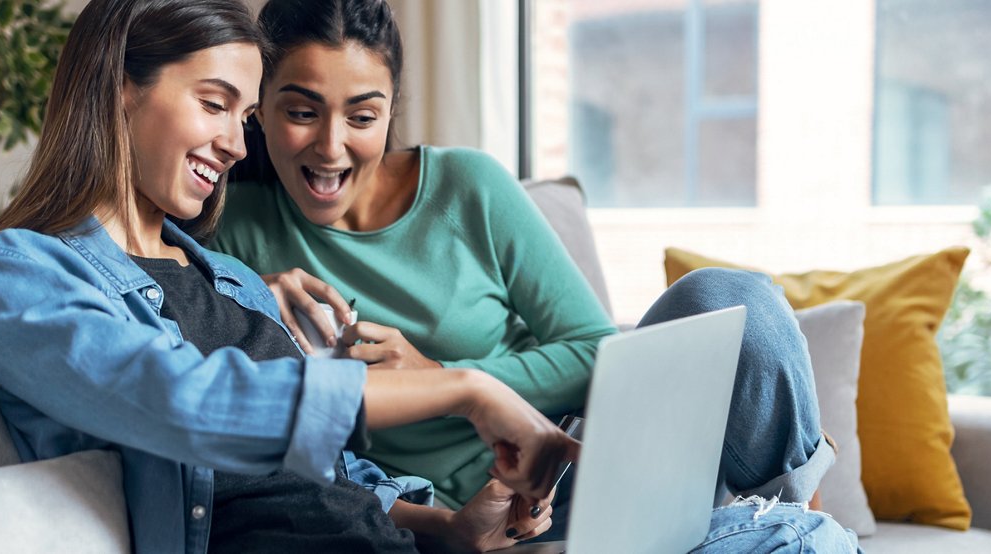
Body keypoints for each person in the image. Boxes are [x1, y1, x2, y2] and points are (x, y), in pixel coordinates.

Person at [213, 0, 860, 550]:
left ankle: (798, 515)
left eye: (361, 116)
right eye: (301, 111)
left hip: (570, 465)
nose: (331, 147)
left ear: (390, 112)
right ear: (257, 108)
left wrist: (444, 380)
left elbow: (592, 347)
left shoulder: (468, 188)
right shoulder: (227, 234)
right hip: (468, 516)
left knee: (732, 298)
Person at [0, 0, 579, 552]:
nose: (237, 145)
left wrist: (450, 527)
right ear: (118, 87)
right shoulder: (15, 270)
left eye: (242, 115)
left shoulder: (237, 281)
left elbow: (333, 477)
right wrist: (464, 390)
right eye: (214, 104)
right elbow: (187, 404)